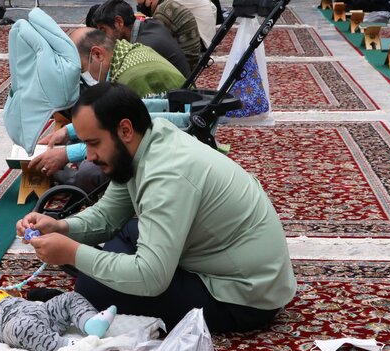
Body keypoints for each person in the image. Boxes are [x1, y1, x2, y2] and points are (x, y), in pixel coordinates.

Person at [17, 82, 297, 332]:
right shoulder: (145, 141)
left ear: (125, 129)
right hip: (228, 262)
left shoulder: (167, 173)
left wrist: (73, 253)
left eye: (94, 143)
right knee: (125, 232)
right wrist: (61, 227)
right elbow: (107, 217)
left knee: (93, 287)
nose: (89, 156)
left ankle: (83, 303)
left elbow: (151, 277)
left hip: (244, 296)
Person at [29, 27, 185, 193]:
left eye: (82, 68)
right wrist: (68, 132)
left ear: (97, 54)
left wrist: (67, 154)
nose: (82, 75)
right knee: (77, 140)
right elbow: (111, 114)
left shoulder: (132, 78)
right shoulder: (124, 56)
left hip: (172, 143)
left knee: (89, 170)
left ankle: (75, 182)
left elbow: (125, 138)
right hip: (150, 127)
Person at [92, 0, 190, 77]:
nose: (102, 37)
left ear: (119, 22)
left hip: (178, 97)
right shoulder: (150, 24)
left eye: (103, 30)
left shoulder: (144, 47)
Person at [136, 0, 202, 71]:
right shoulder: (168, 5)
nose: (141, 9)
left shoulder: (162, 12)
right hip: (193, 58)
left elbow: (155, 44)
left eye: (141, 5)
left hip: (185, 66)